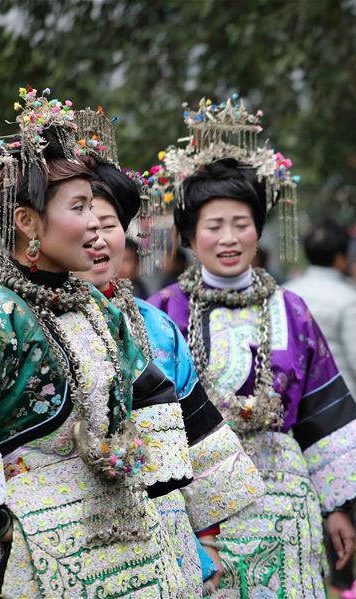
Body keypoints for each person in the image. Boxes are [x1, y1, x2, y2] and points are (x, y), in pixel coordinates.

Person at [0, 87, 196, 597]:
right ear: (27, 222)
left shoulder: (96, 305)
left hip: (122, 546)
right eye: (79, 207)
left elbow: (148, 393)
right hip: (31, 557)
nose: (93, 224)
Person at [147, 96, 356, 597]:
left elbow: (323, 410)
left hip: (285, 506)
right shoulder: (162, 312)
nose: (229, 238)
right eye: (214, 226)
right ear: (190, 235)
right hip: (196, 508)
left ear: (259, 229)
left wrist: (335, 507)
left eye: (241, 224)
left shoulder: (291, 310)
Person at [72, 107, 263, 594]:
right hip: (70, 529)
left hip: (163, 525)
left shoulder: (156, 326)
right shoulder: (22, 322)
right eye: (82, 222)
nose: (96, 238)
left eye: (109, 224)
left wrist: (209, 536)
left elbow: (194, 437)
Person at [284, 219, 356, 426]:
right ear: (340, 258)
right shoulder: (349, 297)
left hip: (296, 405)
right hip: (344, 403)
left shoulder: (286, 293)